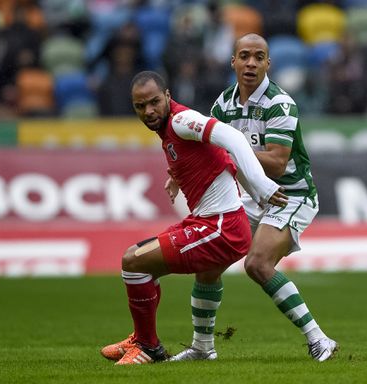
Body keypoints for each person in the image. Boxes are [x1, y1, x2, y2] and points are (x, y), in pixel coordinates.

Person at [100, 70, 287, 365]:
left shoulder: (180, 120)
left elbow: (233, 138)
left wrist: (262, 186)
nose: (148, 111)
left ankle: (148, 346)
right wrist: (176, 175)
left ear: (168, 97)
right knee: (141, 264)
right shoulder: (168, 129)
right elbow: (217, 157)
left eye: (154, 102)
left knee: (133, 261)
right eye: (140, 106)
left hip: (222, 227)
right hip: (207, 222)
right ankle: (153, 341)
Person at [171, 33, 338, 362]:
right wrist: (176, 173)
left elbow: (276, 164)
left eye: (258, 57)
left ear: (268, 64)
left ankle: (319, 339)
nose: (251, 63)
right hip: (250, 197)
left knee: (257, 264)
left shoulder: (281, 104)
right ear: (232, 61)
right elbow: (206, 147)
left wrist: (232, 145)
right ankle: (203, 348)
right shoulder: (223, 104)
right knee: (207, 264)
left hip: (290, 194)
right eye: (244, 55)